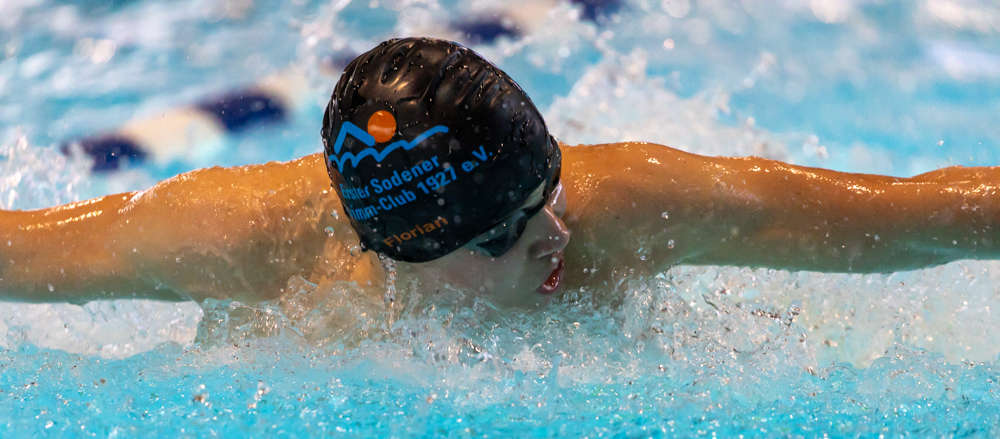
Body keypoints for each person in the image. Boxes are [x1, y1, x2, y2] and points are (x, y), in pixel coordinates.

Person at [2, 37, 1000, 309]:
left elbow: (912, 216)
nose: (553, 235)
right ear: (393, 250)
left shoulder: (631, 207)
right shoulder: (239, 241)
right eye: (500, 233)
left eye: (542, 196)